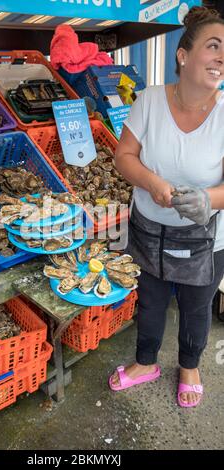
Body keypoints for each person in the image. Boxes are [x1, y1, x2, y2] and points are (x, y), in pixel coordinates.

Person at [109, 6, 224, 408]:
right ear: (183, 55)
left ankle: (189, 366)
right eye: (214, 46)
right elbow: (124, 156)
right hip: (149, 228)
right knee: (151, 299)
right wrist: (153, 182)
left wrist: (206, 199)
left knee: (196, 305)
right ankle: (145, 362)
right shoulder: (150, 100)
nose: (222, 57)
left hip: (207, 238)